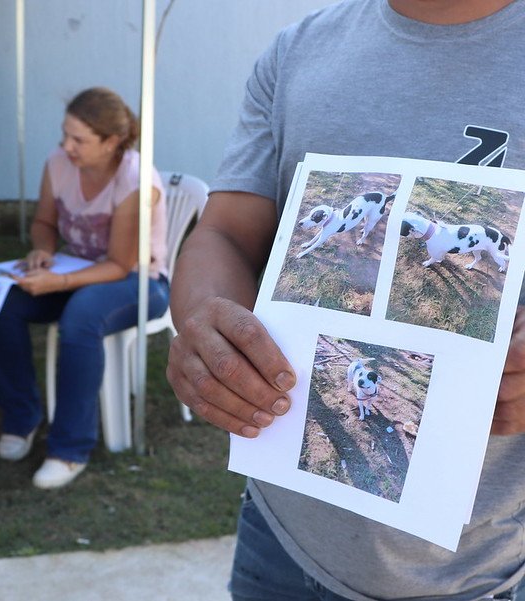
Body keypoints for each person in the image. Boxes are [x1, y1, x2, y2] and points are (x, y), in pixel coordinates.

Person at [166, 1, 525, 599]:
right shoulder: (295, 53)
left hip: (492, 566)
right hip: (281, 540)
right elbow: (224, 230)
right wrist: (208, 325)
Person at [0, 87, 170, 489]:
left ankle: (70, 449)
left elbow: (120, 264)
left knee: (82, 315)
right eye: (64, 136)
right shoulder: (58, 163)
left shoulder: (136, 178)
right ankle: (21, 417)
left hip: (140, 282)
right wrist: (43, 251)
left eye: (79, 140)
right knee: (3, 302)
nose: (67, 147)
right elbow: (45, 223)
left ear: (112, 142)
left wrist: (59, 281)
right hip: (76, 270)